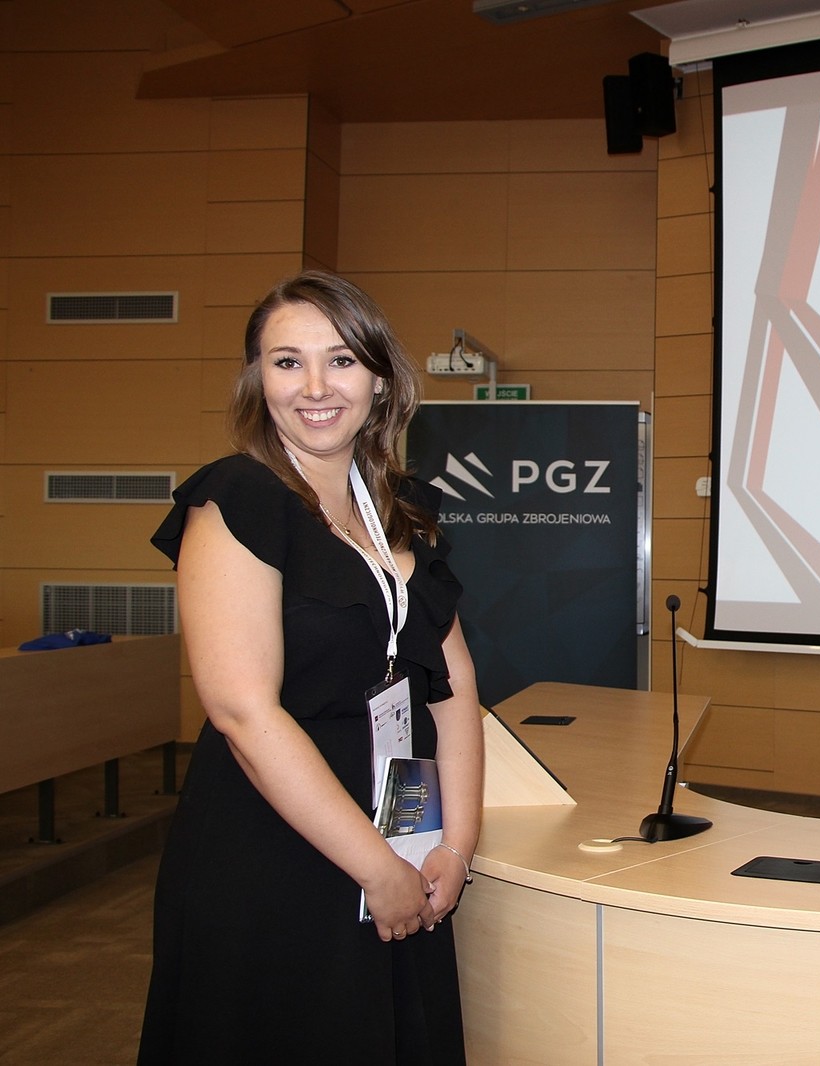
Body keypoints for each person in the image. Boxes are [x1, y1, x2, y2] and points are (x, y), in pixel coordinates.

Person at [138, 271, 484, 1064]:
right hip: (277, 849)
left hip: (404, 834)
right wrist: (375, 868)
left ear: (380, 379)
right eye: (287, 361)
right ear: (257, 379)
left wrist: (456, 847)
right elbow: (242, 711)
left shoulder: (404, 512)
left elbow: (453, 685)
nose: (316, 387)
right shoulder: (238, 499)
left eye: (342, 360)